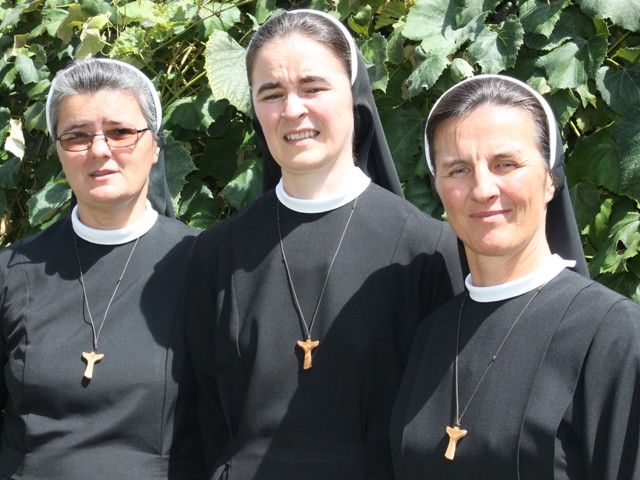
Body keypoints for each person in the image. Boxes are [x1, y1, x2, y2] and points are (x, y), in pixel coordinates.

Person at [185, 9, 464, 480]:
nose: (292, 109)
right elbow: (207, 418)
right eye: (271, 93)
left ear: (353, 96)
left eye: (313, 87)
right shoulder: (218, 254)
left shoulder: (426, 250)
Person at [390, 74, 640, 479]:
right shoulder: (431, 333)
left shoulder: (610, 332)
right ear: (438, 187)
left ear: (550, 179)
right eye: (457, 169)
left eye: (505, 164)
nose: (483, 189)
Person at [0, 58, 203, 479]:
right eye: (77, 136)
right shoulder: (12, 272)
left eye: (121, 132)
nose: (99, 150)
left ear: (155, 146)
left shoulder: (205, 264)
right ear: (59, 151)